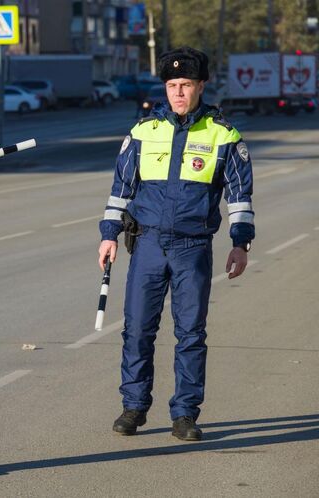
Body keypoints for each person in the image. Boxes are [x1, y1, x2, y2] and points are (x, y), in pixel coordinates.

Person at [97, 47, 255, 442]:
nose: (178, 92)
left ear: (201, 86)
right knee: (136, 330)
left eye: (186, 85)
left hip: (193, 247)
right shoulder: (142, 132)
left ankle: (185, 414)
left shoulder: (224, 135)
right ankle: (133, 407)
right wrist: (108, 235)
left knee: (190, 334)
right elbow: (121, 189)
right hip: (148, 244)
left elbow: (240, 196)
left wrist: (240, 244)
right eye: (172, 85)